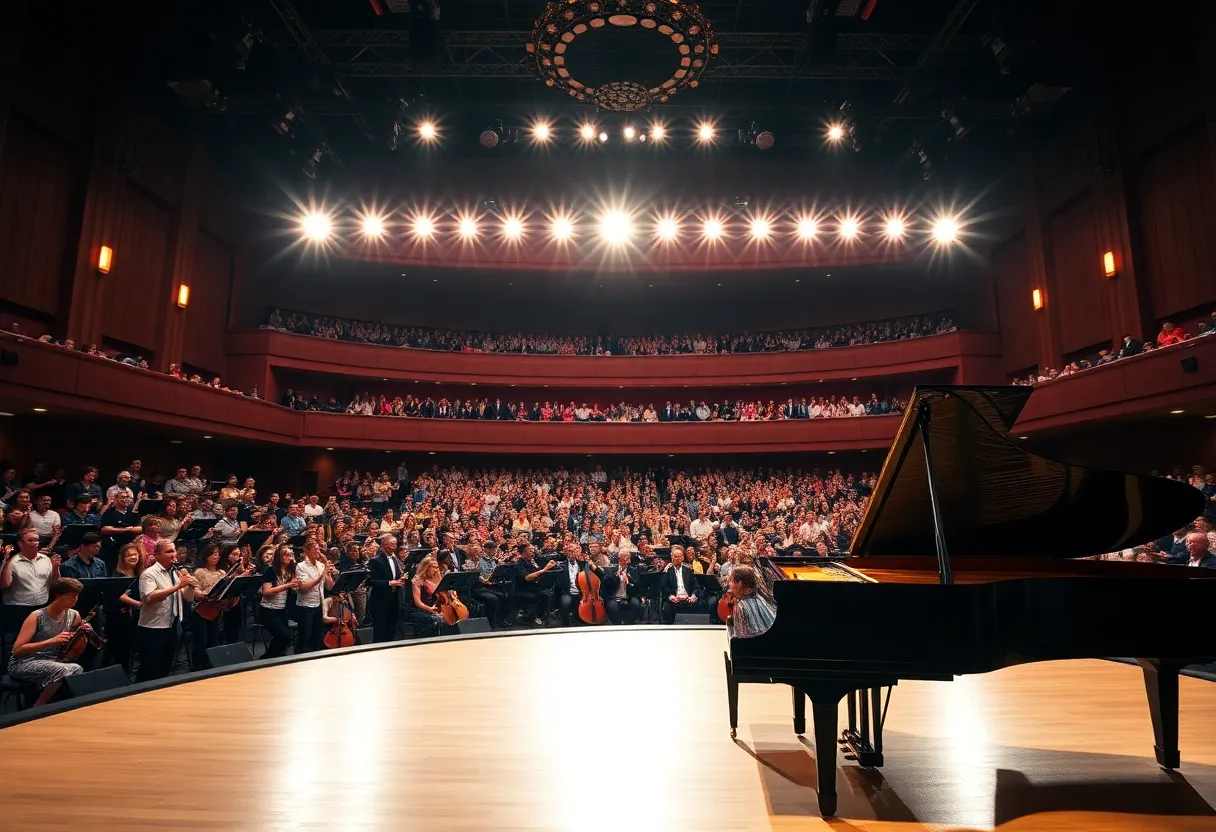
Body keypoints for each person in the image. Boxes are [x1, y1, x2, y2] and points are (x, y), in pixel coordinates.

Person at [7, 577, 91, 688]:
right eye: (71, 596)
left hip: (54, 659)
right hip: (25, 662)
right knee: (74, 669)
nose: (75, 600)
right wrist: (52, 641)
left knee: (76, 668)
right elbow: (17, 651)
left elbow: (73, 644)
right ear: (58, 595)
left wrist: (85, 632)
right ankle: (41, 700)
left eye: (77, 596)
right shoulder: (36, 616)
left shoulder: (74, 615)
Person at [136, 540, 197, 682]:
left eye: (173, 551)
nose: (173, 554)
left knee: (165, 666)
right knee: (149, 668)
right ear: (157, 555)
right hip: (152, 627)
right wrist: (178, 586)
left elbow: (188, 598)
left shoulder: (175, 573)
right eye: (169, 551)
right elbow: (149, 597)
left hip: (173, 625)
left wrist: (190, 586)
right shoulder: (149, 573)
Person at [1, 527, 60, 665]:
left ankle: (35, 667)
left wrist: (55, 568)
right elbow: (4, 584)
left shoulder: (45, 559)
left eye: (37, 540)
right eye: (31, 540)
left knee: (38, 641)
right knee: (16, 644)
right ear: (21, 544)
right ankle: (9, 669)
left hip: (41, 608)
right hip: (17, 609)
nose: (35, 543)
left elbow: (54, 582)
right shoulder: (12, 561)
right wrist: (7, 561)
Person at [190, 543, 227, 669]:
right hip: (201, 609)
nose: (215, 557)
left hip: (216, 608)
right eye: (212, 554)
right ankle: (197, 666)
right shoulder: (200, 572)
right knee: (201, 641)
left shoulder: (222, 572)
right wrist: (201, 593)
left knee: (213, 639)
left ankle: (209, 665)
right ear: (206, 556)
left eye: (217, 554)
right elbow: (195, 589)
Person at [259, 545, 299, 659]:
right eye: (286, 555)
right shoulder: (271, 570)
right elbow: (266, 591)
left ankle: (276, 657)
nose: (289, 558)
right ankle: (267, 658)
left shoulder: (290, 571)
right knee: (284, 635)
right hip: (268, 610)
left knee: (285, 637)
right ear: (279, 556)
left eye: (290, 555)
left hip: (281, 609)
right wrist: (288, 585)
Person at [294, 540, 333, 653]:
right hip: (306, 606)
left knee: (317, 636)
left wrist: (328, 574)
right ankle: (299, 657)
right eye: (314, 549)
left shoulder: (321, 565)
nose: (317, 551)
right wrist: (322, 575)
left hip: (319, 604)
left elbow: (329, 587)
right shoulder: (301, 566)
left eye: (318, 549)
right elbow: (304, 588)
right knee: (305, 636)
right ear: (306, 551)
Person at [367, 532, 405, 642]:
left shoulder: (394, 558)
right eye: (393, 544)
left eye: (396, 544)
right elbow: (370, 581)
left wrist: (401, 578)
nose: (395, 546)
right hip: (380, 602)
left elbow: (394, 577)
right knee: (380, 632)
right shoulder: (375, 560)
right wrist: (390, 583)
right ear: (385, 545)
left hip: (394, 600)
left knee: (391, 631)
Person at [512, 541, 557, 626]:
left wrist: (548, 567)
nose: (532, 552)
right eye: (530, 550)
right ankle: (529, 617)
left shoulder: (531, 562)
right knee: (542, 595)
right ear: (524, 553)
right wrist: (544, 569)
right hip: (523, 589)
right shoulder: (519, 564)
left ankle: (539, 616)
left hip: (534, 587)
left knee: (549, 594)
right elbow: (527, 578)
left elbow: (538, 572)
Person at [726, 565, 777, 639]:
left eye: (731, 580)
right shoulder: (760, 600)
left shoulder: (741, 606)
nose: (730, 584)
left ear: (740, 583)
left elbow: (742, 638)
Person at [406, 555, 449, 638]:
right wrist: (431, 609)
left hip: (435, 608)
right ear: (426, 568)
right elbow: (417, 602)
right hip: (422, 609)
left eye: (437, 567)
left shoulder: (437, 579)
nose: (436, 570)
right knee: (436, 620)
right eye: (433, 567)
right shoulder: (418, 581)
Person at [660, 546, 699, 624]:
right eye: (675, 557)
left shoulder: (689, 570)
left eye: (679, 556)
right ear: (672, 558)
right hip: (674, 598)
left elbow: (696, 585)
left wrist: (694, 595)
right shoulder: (667, 571)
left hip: (688, 598)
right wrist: (670, 596)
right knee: (667, 607)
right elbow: (664, 586)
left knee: (698, 604)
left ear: (683, 558)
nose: (677, 558)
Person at [602, 549, 642, 625]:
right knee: (612, 606)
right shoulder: (612, 570)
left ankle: (628, 623)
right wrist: (617, 577)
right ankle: (617, 623)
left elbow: (636, 588)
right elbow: (606, 585)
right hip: (614, 596)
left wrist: (628, 582)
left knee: (636, 604)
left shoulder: (633, 571)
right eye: (625, 557)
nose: (628, 560)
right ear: (619, 558)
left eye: (628, 557)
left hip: (629, 596)